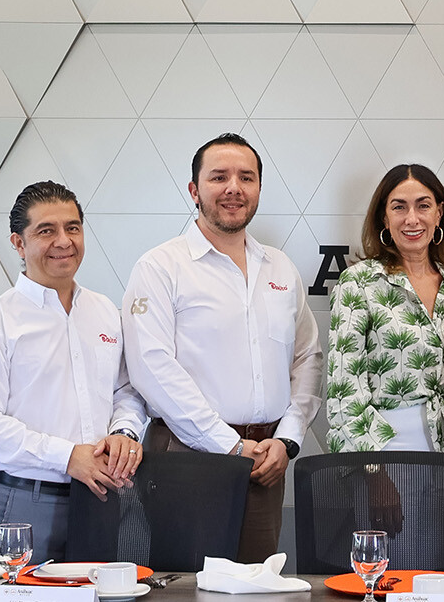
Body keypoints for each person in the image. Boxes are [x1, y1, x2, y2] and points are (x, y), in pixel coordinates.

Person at [122, 133, 323, 563]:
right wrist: (228, 445)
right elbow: (151, 367)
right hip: (186, 456)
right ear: (194, 190)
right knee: (183, 585)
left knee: (257, 583)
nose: (234, 188)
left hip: (265, 462)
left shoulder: (281, 268)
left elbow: (308, 358)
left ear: (259, 189)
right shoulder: (161, 266)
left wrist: (287, 440)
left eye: (246, 178)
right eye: (219, 177)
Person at [0, 181, 146, 563]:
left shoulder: (104, 311)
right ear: (18, 243)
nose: (64, 241)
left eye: (72, 227)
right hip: (22, 501)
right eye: (46, 230)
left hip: (100, 497)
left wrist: (123, 432)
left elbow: (126, 390)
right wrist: (66, 456)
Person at [326, 164, 444, 454]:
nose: (412, 219)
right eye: (399, 207)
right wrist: (373, 469)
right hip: (385, 446)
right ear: (384, 218)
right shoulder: (359, 283)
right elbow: (343, 389)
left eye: (423, 206)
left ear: (439, 213)